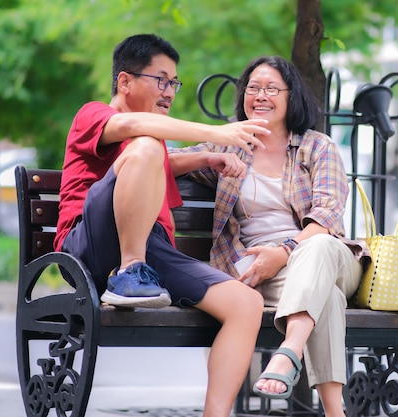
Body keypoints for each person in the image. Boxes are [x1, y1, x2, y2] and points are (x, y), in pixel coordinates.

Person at [54, 33, 268, 417]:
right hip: (89, 245)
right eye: (161, 79)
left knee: (246, 304)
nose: (169, 91)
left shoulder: (147, 147)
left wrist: (204, 158)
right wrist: (215, 134)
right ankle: (129, 271)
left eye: (174, 83)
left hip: (155, 248)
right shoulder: (95, 116)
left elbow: (157, 162)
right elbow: (137, 132)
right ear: (124, 81)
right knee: (149, 142)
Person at [169, 56, 368, 417]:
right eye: (253, 88)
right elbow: (165, 159)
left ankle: (289, 350)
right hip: (262, 273)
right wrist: (208, 154)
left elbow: (325, 218)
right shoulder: (231, 148)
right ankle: (336, 413)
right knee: (328, 300)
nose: (260, 96)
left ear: (292, 97)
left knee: (319, 247)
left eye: (271, 88)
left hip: (330, 256)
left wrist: (284, 250)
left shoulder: (317, 147)